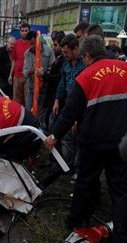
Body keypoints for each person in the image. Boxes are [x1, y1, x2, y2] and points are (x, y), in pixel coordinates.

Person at [45, 35, 127, 243]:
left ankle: (77, 221)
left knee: (85, 181)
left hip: (94, 142)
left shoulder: (86, 76)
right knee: (121, 192)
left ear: (88, 55)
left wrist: (54, 135)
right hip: (123, 143)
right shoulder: (126, 69)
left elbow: (69, 113)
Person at [52, 34, 85, 172]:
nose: (64, 54)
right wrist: (57, 100)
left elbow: (85, 92)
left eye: (66, 52)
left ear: (75, 49)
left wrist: (78, 117)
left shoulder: (85, 65)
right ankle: (67, 163)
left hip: (80, 107)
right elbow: (62, 83)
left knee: (77, 138)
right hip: (67, 103)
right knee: (64, 134)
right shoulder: (66, 63)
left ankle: (76, 167)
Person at [23, 30, 55, 129]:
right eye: (29, 44)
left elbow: (53, 69)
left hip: (44, 90)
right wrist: (30, 71)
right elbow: (24, 73)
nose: (31, 46)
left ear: (38, 40)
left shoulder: (49, 51)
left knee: (40, 116)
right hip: (31, 89)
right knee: (28, 113)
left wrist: (44, 73)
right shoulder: (27, 53)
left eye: (33, 43)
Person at [45, 31, 65, 131]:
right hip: (52, 95)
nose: (53, 47)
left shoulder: (65, 61)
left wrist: (44, 75)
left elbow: (58, 78)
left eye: (56, 45)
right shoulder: (58, 58)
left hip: (56, 96)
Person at [9, 22, 30, 105]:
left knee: (27, 101)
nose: (24, 32)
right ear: (20, 32)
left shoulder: (32, 44)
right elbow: (14, 60)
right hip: (17, 76)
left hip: (28, 77)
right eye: (22, 31)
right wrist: (10, 75)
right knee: (16, 101)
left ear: (29, 31)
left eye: (26, 30)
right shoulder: (16, 43)